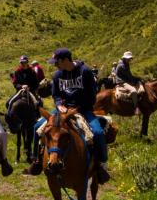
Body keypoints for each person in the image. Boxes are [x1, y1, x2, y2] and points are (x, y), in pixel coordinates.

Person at [26, 48, 109, 183]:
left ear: (66, 60)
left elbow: (91, 97)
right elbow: (56, 95)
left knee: (98, 133)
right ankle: (37, 160)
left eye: (56, 62)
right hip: (63, 110)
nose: (55, 65)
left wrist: (77, 109)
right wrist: (59, 105)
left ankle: (101, 164)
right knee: (38, 127)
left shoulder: (85, 72)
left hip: (83, 110)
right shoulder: (58, 75)